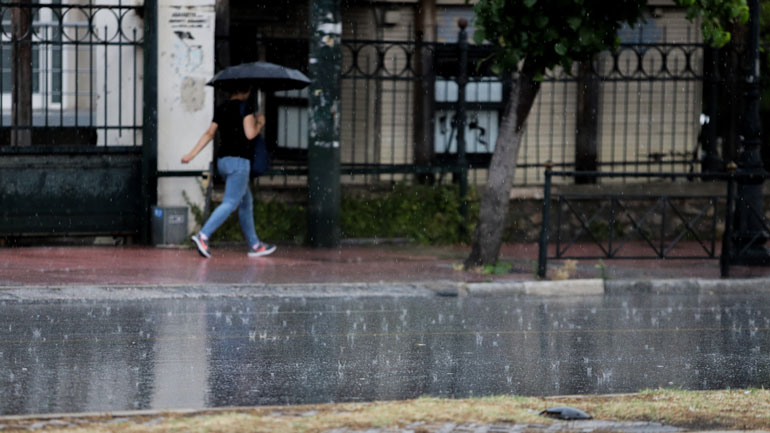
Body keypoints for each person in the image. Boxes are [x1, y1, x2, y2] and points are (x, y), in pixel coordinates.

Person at [181, 85, 276, 259]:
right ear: (246, 91)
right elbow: (250, 134)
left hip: (223, 162)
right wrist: (260, 123)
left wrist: (191, 154)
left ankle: (255, 245)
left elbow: (210, 133)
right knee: (231, 202)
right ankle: (203, 236)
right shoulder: (245, 107)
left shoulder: (222, 107)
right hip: (239, 163)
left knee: (246, 202)